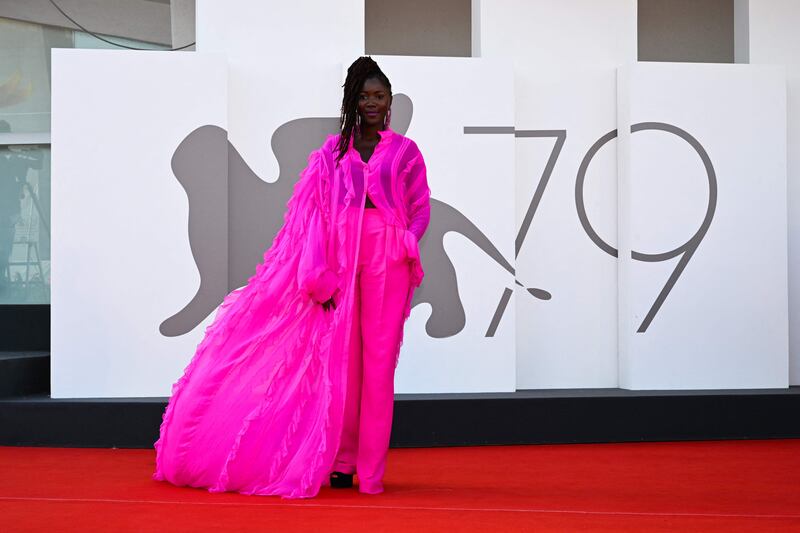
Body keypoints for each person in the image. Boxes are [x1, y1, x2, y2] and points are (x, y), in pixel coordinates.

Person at [152, 56, 431, 499]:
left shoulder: (405, 151)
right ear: (353, 101)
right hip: (341, 259)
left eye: (380, 96)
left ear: (390, 101)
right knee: (341, 365)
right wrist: (317, 275)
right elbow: (314, 217)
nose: (373, 103)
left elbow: (420, 206)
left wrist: (408, 242)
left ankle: (371, 472)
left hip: (388, 260)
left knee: (378, 367)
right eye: (365, 96)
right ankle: (340, 462)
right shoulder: (331, 152)